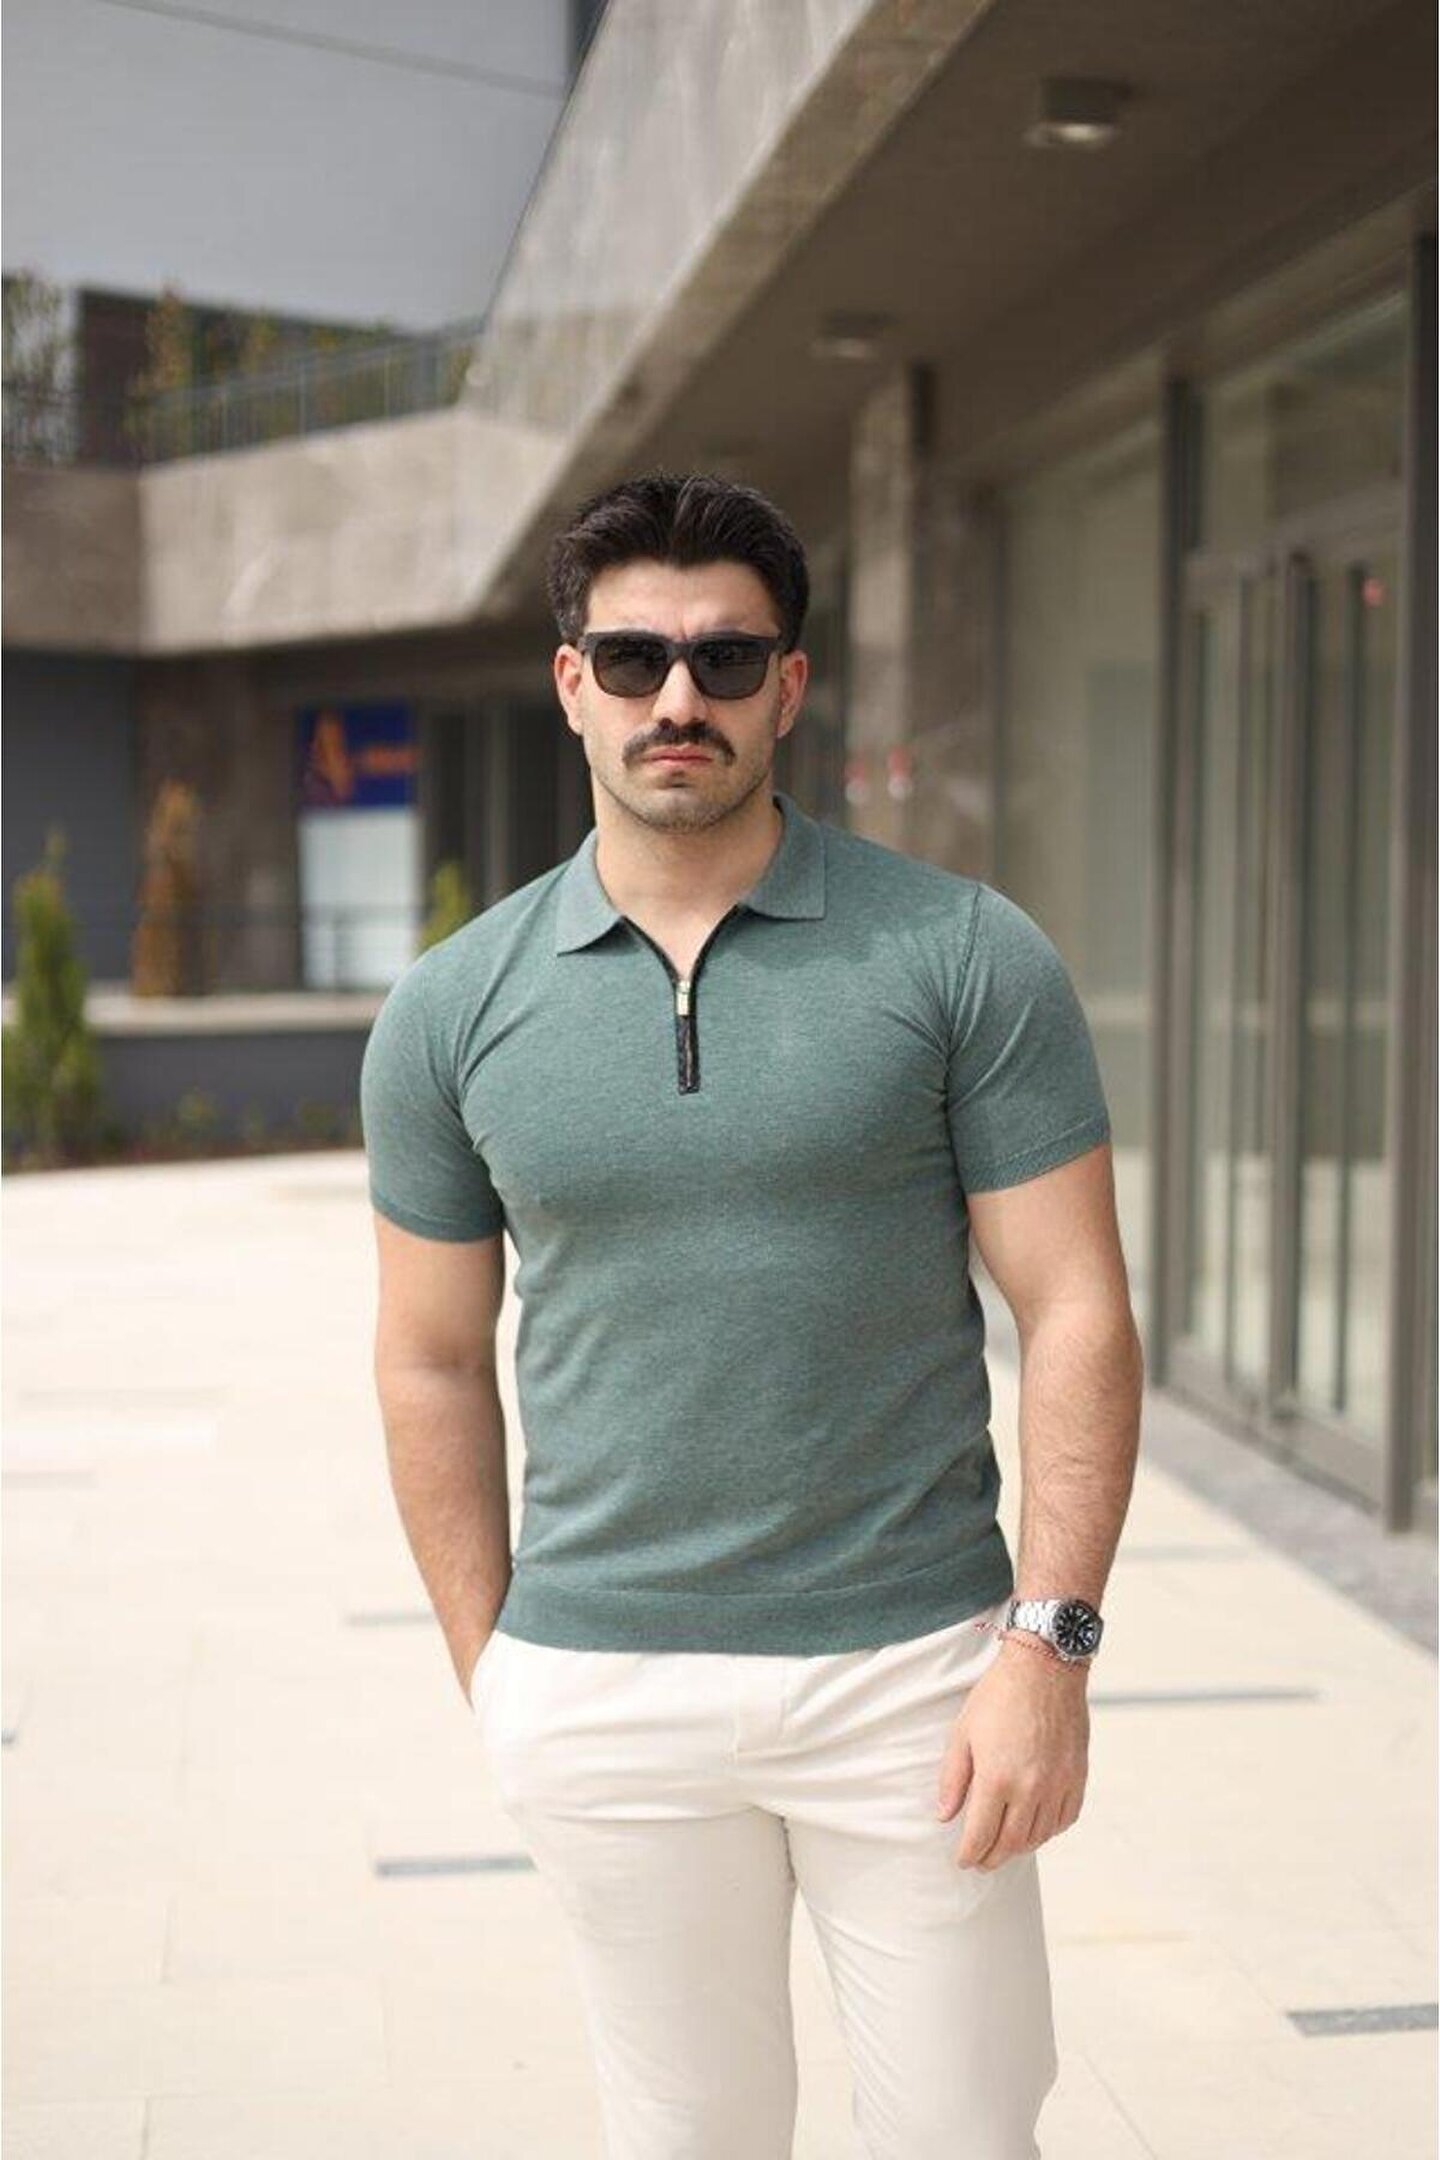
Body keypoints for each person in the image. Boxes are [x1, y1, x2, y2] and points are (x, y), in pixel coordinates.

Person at [360, 470, 1143, 2159]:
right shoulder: (451, 1008)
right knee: (684, 2138)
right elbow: (428, 1358)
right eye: (632, 658)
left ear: (789, 686)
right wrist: (498, 1673)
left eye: (724, 660)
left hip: (917, 1675)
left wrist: (1049, 1648)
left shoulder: (961, 953)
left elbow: (1076, 1306)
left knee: (964, 2132)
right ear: (571, 682)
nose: (677, 699)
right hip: (603, 1684)